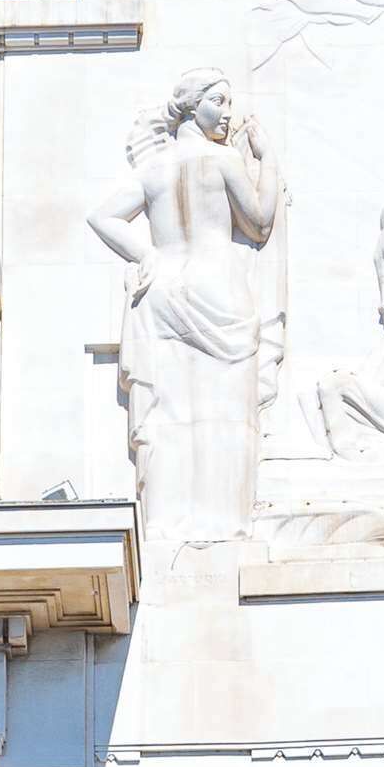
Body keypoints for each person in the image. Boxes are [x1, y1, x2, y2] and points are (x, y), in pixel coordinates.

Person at [88, 69, 280, 549]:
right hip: (217, 288)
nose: (228, 113)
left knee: (168, 412)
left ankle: (166, 520)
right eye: (219, 101)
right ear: (194, 107)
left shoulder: (154, 167)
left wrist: (147, 255)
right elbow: (259, 223)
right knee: (226, 411)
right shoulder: (224, 159)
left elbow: (103, 216)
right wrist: (268, 160)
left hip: (163, 290)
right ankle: (224, 521)